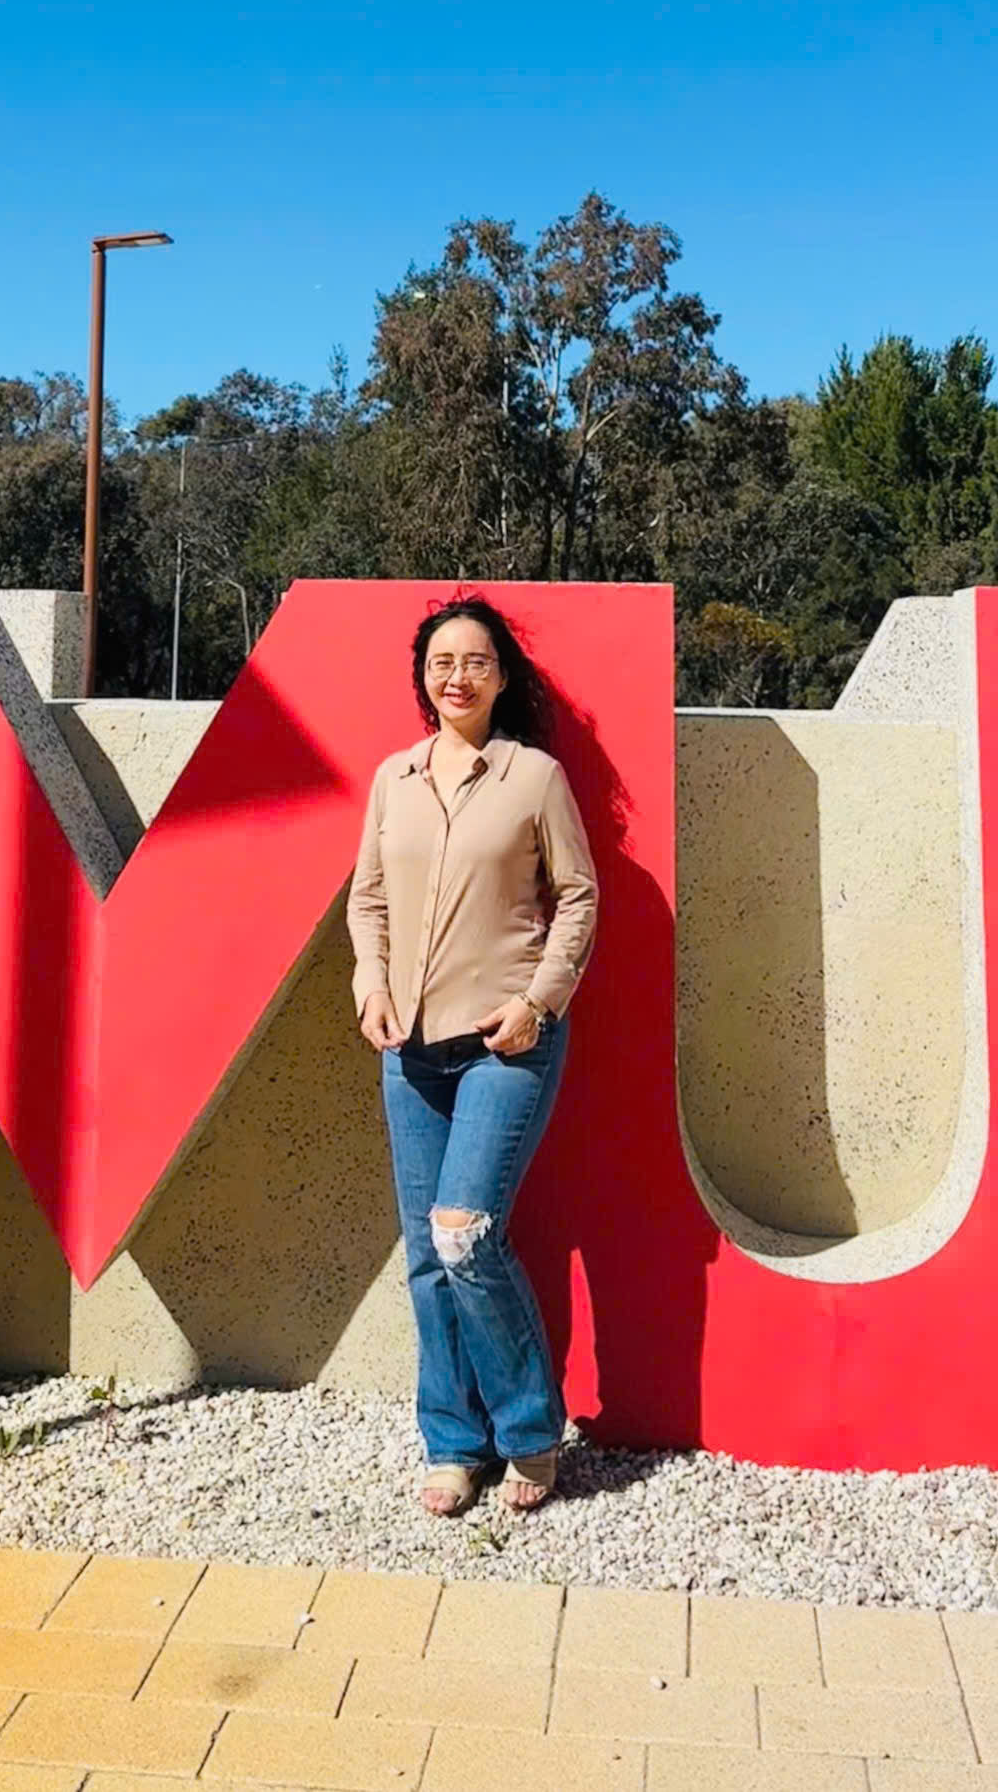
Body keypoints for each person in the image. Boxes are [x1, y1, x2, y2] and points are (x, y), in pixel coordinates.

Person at [346, 596, 599, 1516]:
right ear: (423, 674)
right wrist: (369, 983)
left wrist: (539, 1002)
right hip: (407, 1045)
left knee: (465, 1234)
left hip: (506, 1043)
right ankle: (453, 1444)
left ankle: (531, 1434)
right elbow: (366, 899)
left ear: (502, 677)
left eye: (477, 661)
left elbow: (578, 898)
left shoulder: (533, 779)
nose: (458, 675)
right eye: (442, 660)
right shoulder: (393, 780)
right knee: (425, 1254)